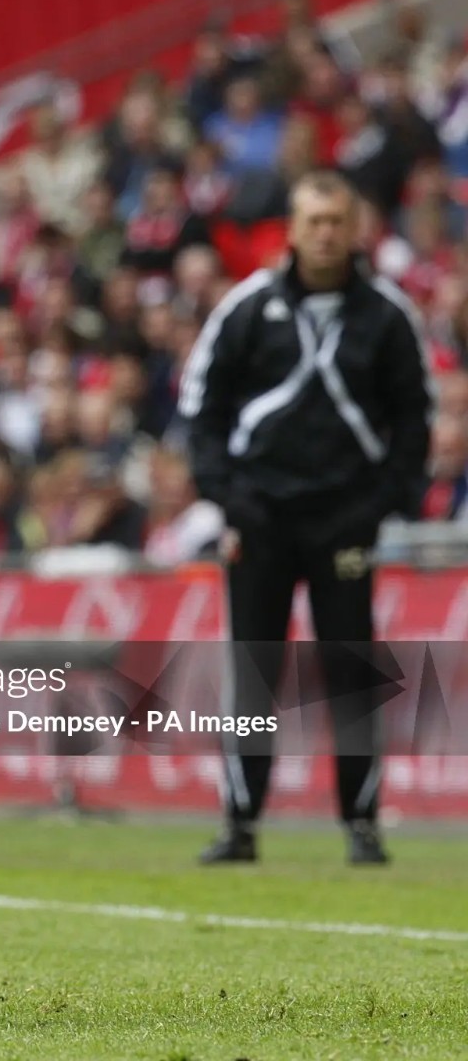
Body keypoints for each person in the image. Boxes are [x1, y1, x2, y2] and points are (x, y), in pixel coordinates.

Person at [179, 170, 433, 866]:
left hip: (346, 521)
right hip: (259, 520)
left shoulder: (387, 315)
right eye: (313, 220)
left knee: (352, 672)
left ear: (356, 230)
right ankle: (240, 823)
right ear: (291, 229)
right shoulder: (246, 307)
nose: (324, 233)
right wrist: (230, 501)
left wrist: (379, 508)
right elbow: (201, 408)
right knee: (253, 672)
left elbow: (416, 420)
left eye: (336, 221)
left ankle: (361, 823)